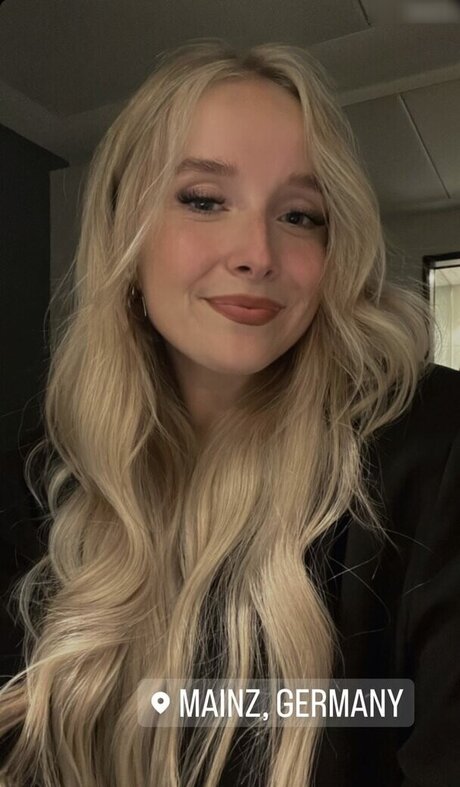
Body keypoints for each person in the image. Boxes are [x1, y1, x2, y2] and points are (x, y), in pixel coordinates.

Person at [0, 38, 459, 787]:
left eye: (301, 215)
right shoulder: (38, 482)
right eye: (204, 200)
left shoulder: (434, 445)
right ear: (125, 231)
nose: (257, 253)